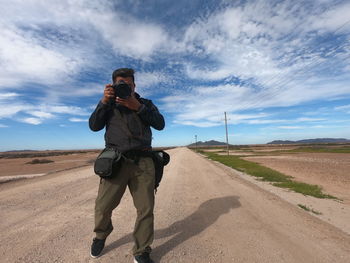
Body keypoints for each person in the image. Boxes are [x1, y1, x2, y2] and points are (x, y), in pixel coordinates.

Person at [89, 68, 165, 263]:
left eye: (128, 85)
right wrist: (103, 102)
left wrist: (137, 106)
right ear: (113, 85)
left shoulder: (145, 103)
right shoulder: (109, 105)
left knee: (145, 208)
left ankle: (141, 250)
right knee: (103, 207)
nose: (125, 87)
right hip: (116, 162)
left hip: (144, 161)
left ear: (134, 85)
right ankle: (100, 235)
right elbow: (94, 126)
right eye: (120, 84)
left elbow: (160, 124)